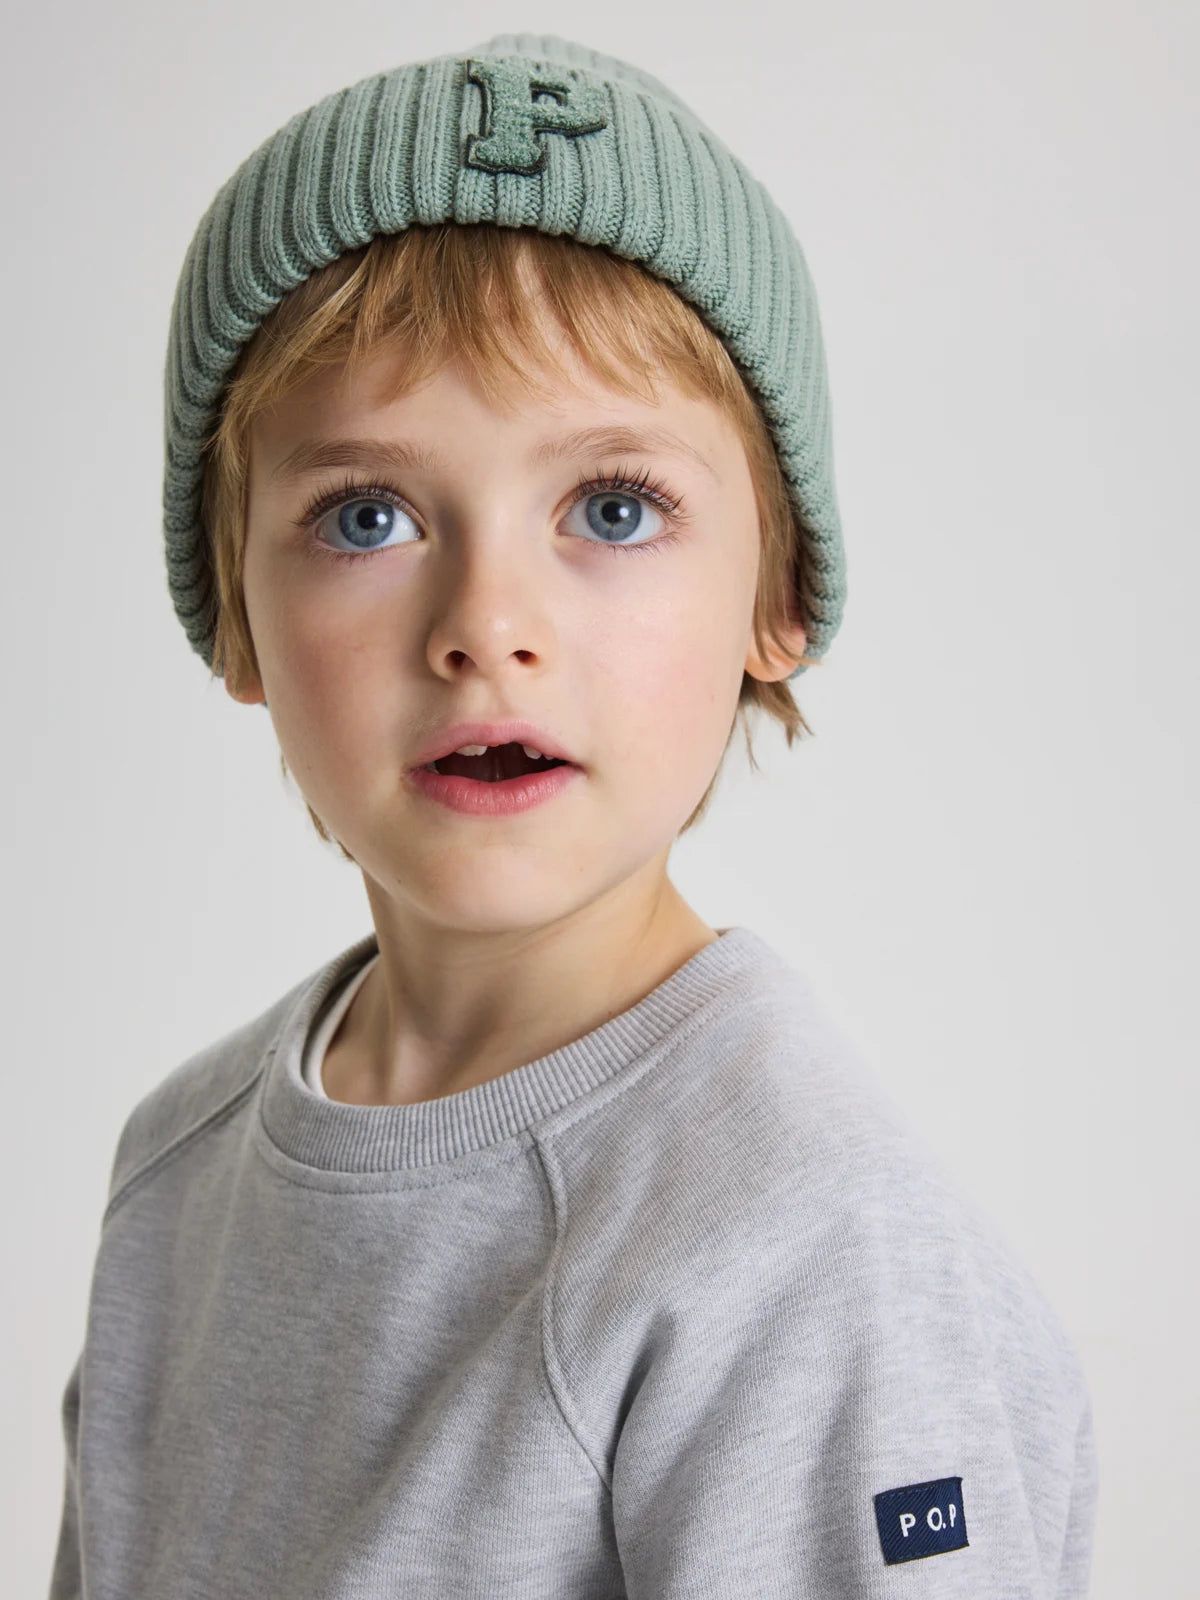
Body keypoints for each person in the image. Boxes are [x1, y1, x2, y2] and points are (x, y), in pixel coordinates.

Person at [49, 32, 1097, 1598]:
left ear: (781, 594)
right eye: (367, 516)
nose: (487, 625)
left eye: (614, 508)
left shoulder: (811, 1248)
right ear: (237, 621)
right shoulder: (177, 1176)